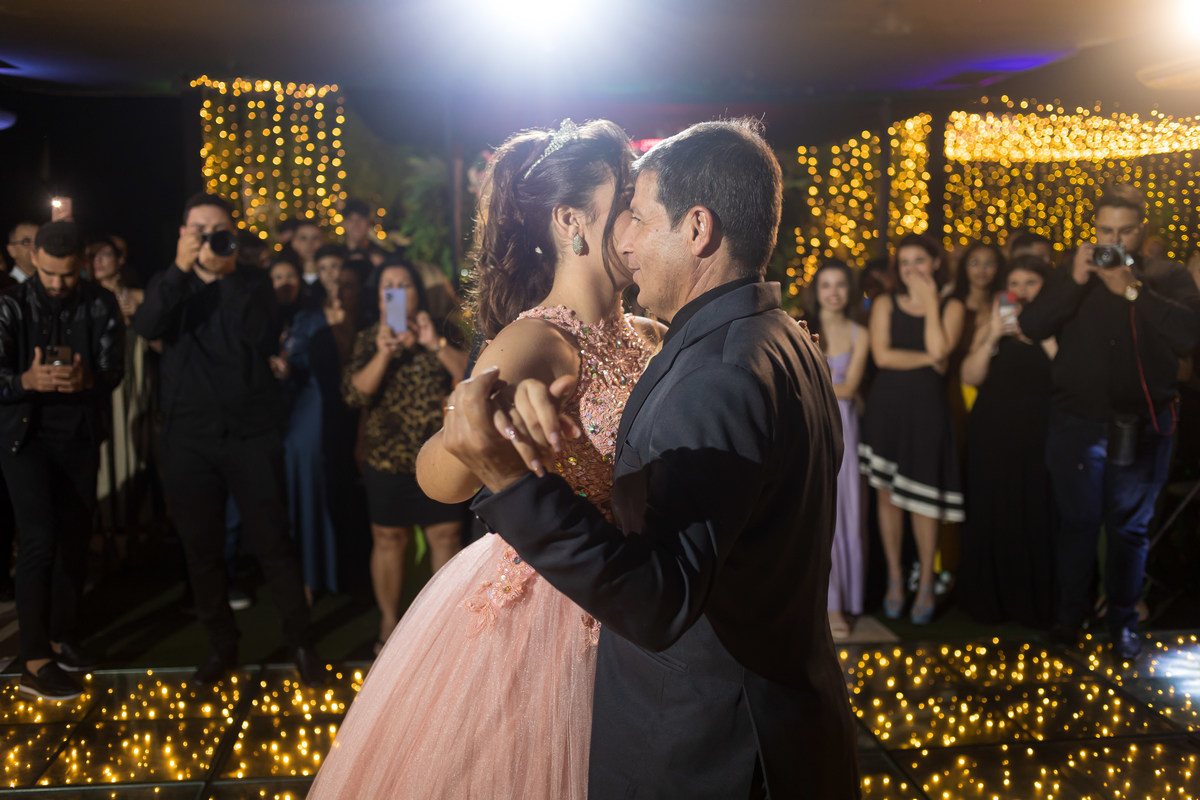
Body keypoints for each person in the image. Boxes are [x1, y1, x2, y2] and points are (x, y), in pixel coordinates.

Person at [444, 119, 859, 799]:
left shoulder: (717, 372)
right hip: (783, 717)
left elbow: (659, 602)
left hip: (712, 746)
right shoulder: (780, 338)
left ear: (697, 229)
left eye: (638, 216)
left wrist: (515, 485)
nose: (627, 239)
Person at [310, 119, 659, 799]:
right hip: (552, 613)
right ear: (571, 221)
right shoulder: (535, 343)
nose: (641, 224)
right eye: (628, 205)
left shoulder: (651, 334)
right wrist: (481, 425)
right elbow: (438, 477)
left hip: (640, 591)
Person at [133, 193, 323, 687]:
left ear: (233, 234)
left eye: (218, 230)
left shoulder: (254, 282)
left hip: (251, 433)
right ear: (183, 234)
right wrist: (181, 271)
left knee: (273, 541)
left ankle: (301, 641)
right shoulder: (168, 283)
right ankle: (222, 646)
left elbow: (262, 334)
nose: (209, 239)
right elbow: (147, 325)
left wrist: (230, 274)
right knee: (201, 547)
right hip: (188, 436)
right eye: (199, 230)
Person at [1019, 184, 1200, 659]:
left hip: (1144, 424)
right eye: (1105, 231)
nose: (1113, 240)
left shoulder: (1167, 276)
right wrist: (1075, 280)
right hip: (1076, 422)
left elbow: (1189, 335)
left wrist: (1133, 290)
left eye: (1124, 231)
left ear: (1142, 231)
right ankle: (1069, 620)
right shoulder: (1073, 275)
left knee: (1129, 529)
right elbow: (1032, 326)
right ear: (1093, 231)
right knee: (1077, 523)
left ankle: (1122, 623)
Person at [0, 220, 124, 700]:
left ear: (83, 266)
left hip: (79, 436)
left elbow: (113, 371)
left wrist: (88, 380)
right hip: (25, 439)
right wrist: (24, 382)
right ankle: (34, 658)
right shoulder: (10, 305)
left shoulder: (100, 302)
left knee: (74, 538)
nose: (56, 283)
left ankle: (61, 636)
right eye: (49, 273)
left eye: (67, 275)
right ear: (33, 259)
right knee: (38, 540)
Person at [341, 258, 469, 652]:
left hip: (440, 456)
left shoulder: (443, 331)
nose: (396, 292)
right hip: (387, 457)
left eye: (404, 285)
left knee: (445, 536)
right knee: (388, 540)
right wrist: (383, 353)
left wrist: (435, 344)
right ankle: (389, 624)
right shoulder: (368, 338)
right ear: (380, 298)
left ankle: (445, 630)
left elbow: (472, 376)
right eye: (388, 287)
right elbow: (354, 395)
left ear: (418, 293)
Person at [859, 233, 965, 624]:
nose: (911, 269)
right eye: (904, 263)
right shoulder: (885, 303)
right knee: (887, 497)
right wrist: (928, 360)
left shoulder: (952, 306)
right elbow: (883, 356)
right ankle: (895, 579)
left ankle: (925, 584)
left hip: (927, 412)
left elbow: (940, 351)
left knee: (924, 500)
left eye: (919, 260)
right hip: (888, 409)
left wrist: (931, 303)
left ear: (935, 263)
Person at [958, 255, 1058, 627]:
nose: (1021, 291)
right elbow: (969, 376)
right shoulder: (992, 320)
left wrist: (1039, 336)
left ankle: (1032, 602)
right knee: (992, 509)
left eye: (1030, 282)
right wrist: (992, 338)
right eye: (1015, 283)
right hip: (992, 432)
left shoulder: (1056, 324)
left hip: (1038, 433)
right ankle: (989, 601)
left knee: (1034, 510)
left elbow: (1067, 375)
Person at [281, 248, 360, 596]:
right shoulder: (308, 318)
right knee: (312, 494)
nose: (330, 274)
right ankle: (310, 578)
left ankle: (345, 575)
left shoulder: (365, 315)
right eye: (323, 267)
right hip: (312, 416)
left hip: (352, 417)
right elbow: (293, 367)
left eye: (336, 267)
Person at [807, 259, 869, 639]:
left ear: (849, 290)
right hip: (810, 423)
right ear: (816, 291)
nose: (833, 292)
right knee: (813, 511)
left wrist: (813, 381)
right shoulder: (799, 329)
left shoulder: (861, 333)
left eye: (840, 285)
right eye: (826, 285)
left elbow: (850, 388)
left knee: (845, 513)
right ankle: (813, 603)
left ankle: (838, 604)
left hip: (845, 426)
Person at [291, 220, 324, 284]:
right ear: (294, 243)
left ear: (323, 242)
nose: (309, 244)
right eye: (303, 238)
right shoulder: (287, 274)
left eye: (315, 238)